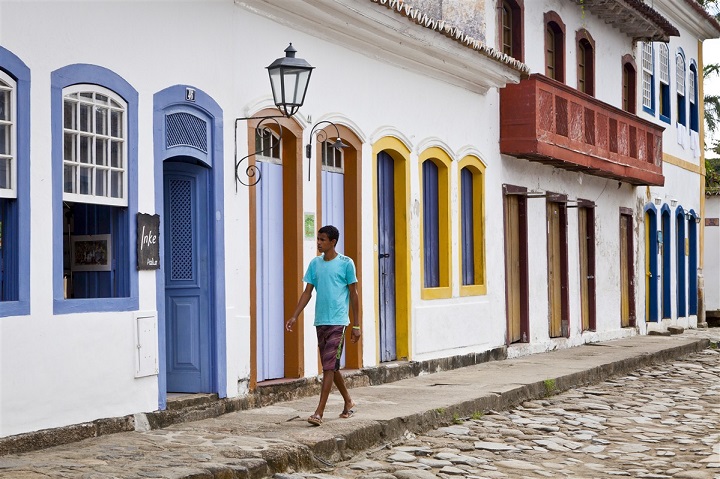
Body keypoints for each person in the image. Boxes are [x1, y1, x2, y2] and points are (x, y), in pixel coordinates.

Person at [286, 225, 361, 426]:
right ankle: (348, 401)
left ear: (333, 242)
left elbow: (354, 294)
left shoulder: (346, 264)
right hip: (321, 321)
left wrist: (356, 325)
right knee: (332, 366)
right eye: (318, 239)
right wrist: (295, 316)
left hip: (338, 321)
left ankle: (319, 412)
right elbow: (307, 292)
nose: (318, 243)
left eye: (322, 240)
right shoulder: (315, 264)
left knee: (328, 366)